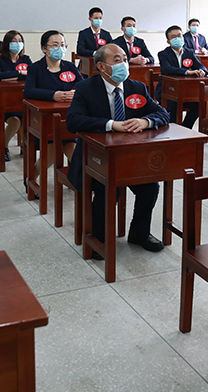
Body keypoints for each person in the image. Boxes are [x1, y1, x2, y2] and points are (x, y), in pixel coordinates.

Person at [66, 44, 170, 256]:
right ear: (102, 67)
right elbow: (73, 121)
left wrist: (145, 121)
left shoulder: (137, 87)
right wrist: (111, 125)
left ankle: (139, 233)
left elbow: (162, 113)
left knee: (150, 187)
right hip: (95, 157)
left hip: (129, 157)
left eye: (124, 58)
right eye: (117, 60)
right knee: (107, 188)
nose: (123, 64)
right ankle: (98, 238)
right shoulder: (85, 88)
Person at [24, 30, 83, 187]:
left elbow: (83, 86)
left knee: (73, 149)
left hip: (68, 117)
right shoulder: (35, 68)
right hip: (45, 119)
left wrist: (75, 92)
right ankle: (31, 178)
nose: (60, 48)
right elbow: (28, 91)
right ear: (45, 48)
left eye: (62, 45)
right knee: (51, 152)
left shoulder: (70, 66)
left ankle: (76, 182)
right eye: (55, 45)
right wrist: (53, 95)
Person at [156, 25, 208, 128]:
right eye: (173, 37)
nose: (177, 38)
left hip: (185, 92)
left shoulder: (189, 52)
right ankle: (173, 130)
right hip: (167, 91)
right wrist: (187, 72)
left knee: (199, 105)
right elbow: (167, 69)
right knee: (175, 105)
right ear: (168, 42)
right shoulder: (163, 54)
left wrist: (202, 71)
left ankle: (185, 128)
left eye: (179, 35)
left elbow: (201, 66)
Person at [0, 30, 32, 162]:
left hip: (22, 100)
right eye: (14, 41)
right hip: (6, 102)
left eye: (20, 41)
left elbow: (32, 74)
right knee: (15, 122)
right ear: (7, 43)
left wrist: (11, 76)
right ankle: (3, 147)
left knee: (29, 120)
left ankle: (25, 145)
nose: (17, 43)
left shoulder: (26, 59)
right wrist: (20, 73)